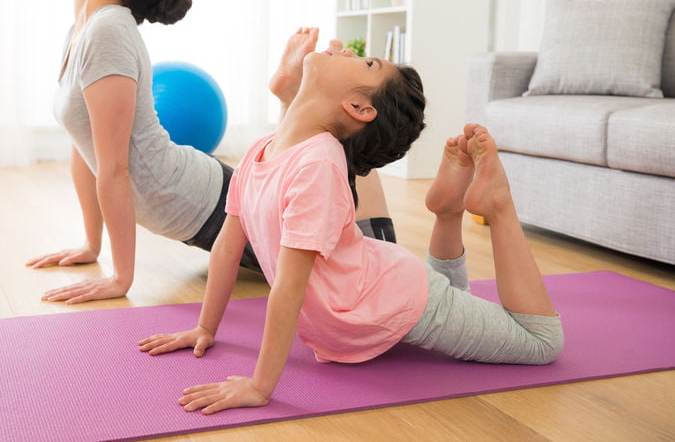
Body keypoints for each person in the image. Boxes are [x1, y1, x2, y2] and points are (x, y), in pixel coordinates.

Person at [138, 47, 564, 415]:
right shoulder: (260, 150)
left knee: (542, 343)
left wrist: (259, 386)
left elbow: (288, 285)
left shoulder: (317, 164)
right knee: (461, 301)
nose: (347, 52)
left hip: (397, 300)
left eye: (366, 62)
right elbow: (228, 247)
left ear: (360, 108)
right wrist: (205, 329)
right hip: (368, 298)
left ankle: (498, 206)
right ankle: (447, 212)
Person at [25, 0, 398, 303]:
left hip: (204, 202)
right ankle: (292, 98)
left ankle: (297, 99)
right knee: (325, 234)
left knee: (365, 275)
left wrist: (121, 278)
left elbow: (115, 168)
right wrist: (92, 243)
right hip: (198, 194)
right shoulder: (84, 30)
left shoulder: (108, 32)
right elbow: (83, 142)